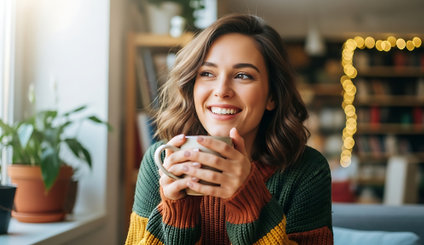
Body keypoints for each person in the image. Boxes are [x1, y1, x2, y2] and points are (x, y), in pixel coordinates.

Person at [126, 14, 333, 244]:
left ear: (272, 96)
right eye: (207, 73)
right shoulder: (161, 165)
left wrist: (250, 200)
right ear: (192, 86)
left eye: (243, 75)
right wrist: (176, 216)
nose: (222, 90)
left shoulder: (307, 170)